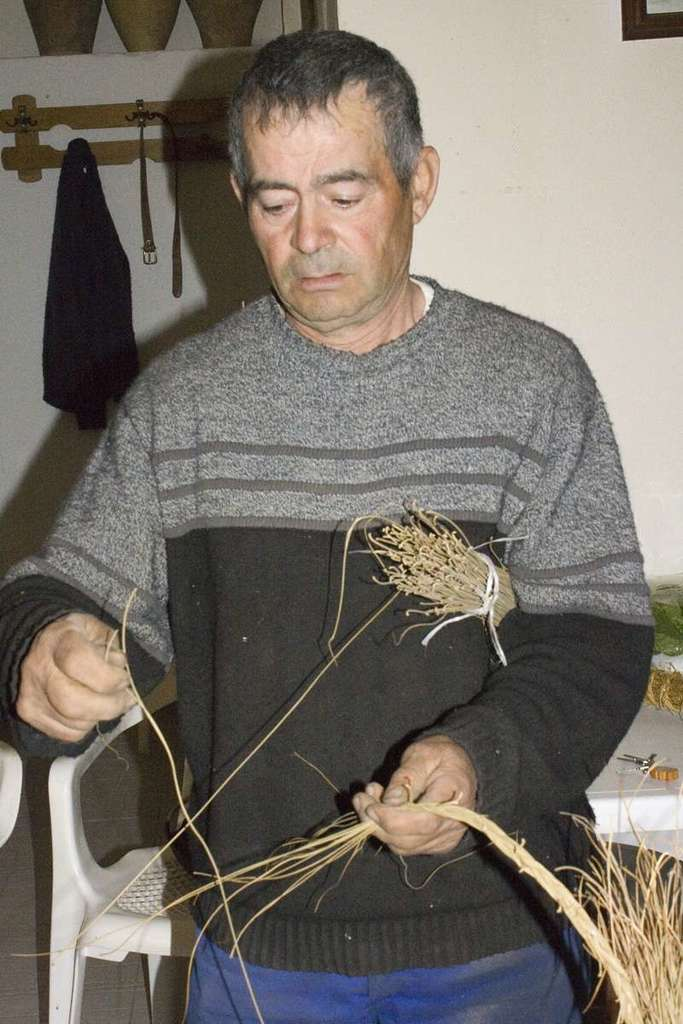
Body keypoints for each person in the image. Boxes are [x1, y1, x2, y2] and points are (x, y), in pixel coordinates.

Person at [0, 29, 653, 1024]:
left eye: (343, 195)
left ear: (418, 182)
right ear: (239, 198)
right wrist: (41, 648)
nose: (307, 237)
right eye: (274, 202)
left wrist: (479, 759)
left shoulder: (531, 383)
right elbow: (70, 590)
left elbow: (596, 636)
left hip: (497, 927)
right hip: (261, 943)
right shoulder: (184, 403)